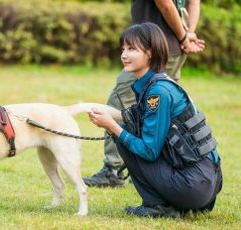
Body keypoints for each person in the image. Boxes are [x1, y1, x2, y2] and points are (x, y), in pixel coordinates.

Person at [87, 23, 222, 218]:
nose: (124, 54)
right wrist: (106, 114)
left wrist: (113, 127)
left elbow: (149, 151)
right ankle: (166, 202)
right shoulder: (159, 83)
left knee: (125, 136)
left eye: (132, 48)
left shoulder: (157, 93)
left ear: (150, 52)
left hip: (193, 186)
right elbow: (138, 118)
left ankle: (157, 206)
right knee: (128, 129)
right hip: (205, 183)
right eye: (123, 49)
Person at [83, 0, 205, 187]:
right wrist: (188, 34)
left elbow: (165, 4)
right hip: (174, 48)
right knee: (160, 112)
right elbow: (194, 2)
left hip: (151, 49)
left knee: (121, 102)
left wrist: (183, 37)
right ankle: (155, 166)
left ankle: (113, 170)